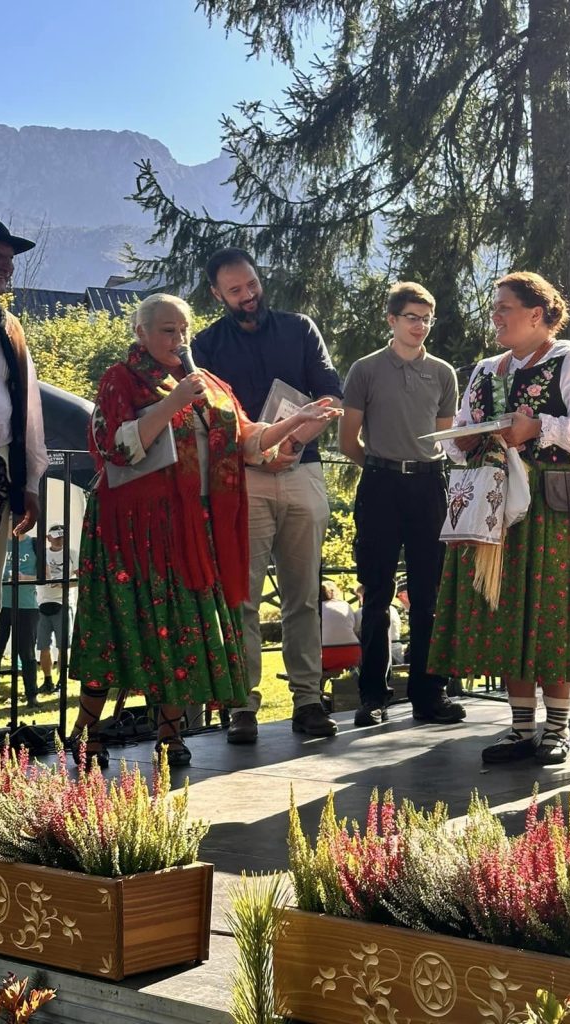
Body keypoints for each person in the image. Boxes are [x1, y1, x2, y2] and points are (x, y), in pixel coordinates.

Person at [68, 294, 340, 767]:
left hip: (191, 529)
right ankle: (82, 732)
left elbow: (246, 441)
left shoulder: (209, 385)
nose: (179, 340)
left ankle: (170, 737)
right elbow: (116, 447)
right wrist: (173, 400)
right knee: (119, 629)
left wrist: (295, 422)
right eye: (167, 331)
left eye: (184, 330)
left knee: (182, 630)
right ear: (141, 334)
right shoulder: (121, 379)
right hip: (132, 533)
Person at [429, 271, 570, 765]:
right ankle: (520, 726)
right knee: (505, 608)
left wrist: (540, 427)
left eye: (505, 308)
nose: (496, 316)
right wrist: (462, 442)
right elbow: (465, 428)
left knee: (551, 609)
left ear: (537, 314)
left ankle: (558, 727)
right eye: (495, 308)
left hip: (555, 503)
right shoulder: (487, 369)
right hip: (496, 507)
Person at [192, 248, 344, 744]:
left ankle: (307, 699)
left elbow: (331, 397)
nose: (248, 296)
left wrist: (292, 440)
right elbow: (212, 420)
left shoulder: (300, 328)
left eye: (251, 285)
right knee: (244, 596)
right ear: (217, 294)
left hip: (303, 470)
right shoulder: (206, 345)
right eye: (235, 291)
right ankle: (243, 704)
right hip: (244, 480)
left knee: (304, 596)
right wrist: (261, 453)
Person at [339, 281, 465, 727]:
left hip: (429, 486)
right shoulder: (366, 369)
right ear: (392, 320)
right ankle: (372, 695)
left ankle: (429, 694)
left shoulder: (444, 372)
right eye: (412, 317)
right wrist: (379, 467)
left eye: (427, 318)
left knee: (429, 594)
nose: (420, 326)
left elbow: (445, 437)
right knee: (377, 594)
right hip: (380, 485)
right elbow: (346, 438)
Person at [0, 219, 48, 690]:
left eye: (9, 258)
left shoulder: (7, 326)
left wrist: (29, 482)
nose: (6, 266)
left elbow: (29, 408)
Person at [0, 534, 40, 709]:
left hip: (26, 606)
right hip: (0, 606)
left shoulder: (34, 543)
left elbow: (45, 574)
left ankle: (32, 696)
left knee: (27, 652)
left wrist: (25, 578)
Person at [36, 524, 77, 694]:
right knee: (43, 646)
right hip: (43, 603)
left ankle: (62, 680)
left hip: (63, 603)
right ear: (48, 537)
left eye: (62, 536)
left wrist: (64, 585)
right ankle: (47, 680)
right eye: (57, 536)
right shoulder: (42, 553)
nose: (60, 540)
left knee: (63, 646)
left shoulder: (71, 553)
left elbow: (80, 577)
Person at [320, 580, 362, 673]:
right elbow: (354, 627)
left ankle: (318, 687)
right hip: (354, 653)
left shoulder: (316, 608)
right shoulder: (345, 604)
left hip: (327, 655)